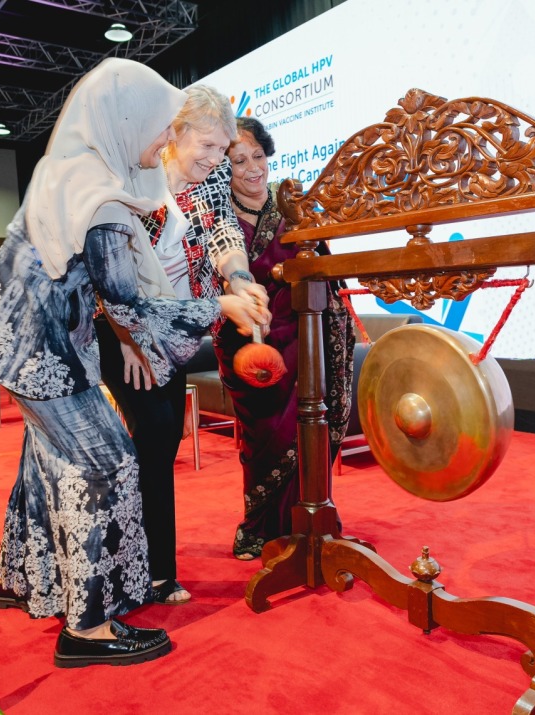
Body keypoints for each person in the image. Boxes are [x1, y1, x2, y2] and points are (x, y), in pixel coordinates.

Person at [0, 59, 267, 668]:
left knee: (46, 460)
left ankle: (16, 577)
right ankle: (89, 628)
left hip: (21, 335)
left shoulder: (85, 169)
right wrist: (221, 306)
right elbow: (130, 298)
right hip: (35, 343)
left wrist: (227, 284)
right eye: (165, 127)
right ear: (129, 119)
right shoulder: (98, 192)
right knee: (107, 460)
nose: (164, 139)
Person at [96, 85, 270, 604]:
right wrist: (125, 334)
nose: (220, 161)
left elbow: (222, 233)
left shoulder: (209, 179)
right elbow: (108, 268)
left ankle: (157, 569)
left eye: (225, 151)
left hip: (174, 326)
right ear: (175, 134)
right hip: (118, 325)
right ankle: (132, 567)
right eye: (211, 147)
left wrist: (238, 278)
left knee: (165, 434)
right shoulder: (131, 178)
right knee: (151, 427)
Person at [221, 117, 355, 559]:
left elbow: (327, 271)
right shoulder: (217, 220)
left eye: (257, 156)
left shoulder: (294, 207)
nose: (252, 168)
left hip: (306, 339)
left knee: (311, 429)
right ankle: (258, 525)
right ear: (224, 169)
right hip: (249, 342)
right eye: (238, 161)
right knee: (265, 438)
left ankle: (313, 515)